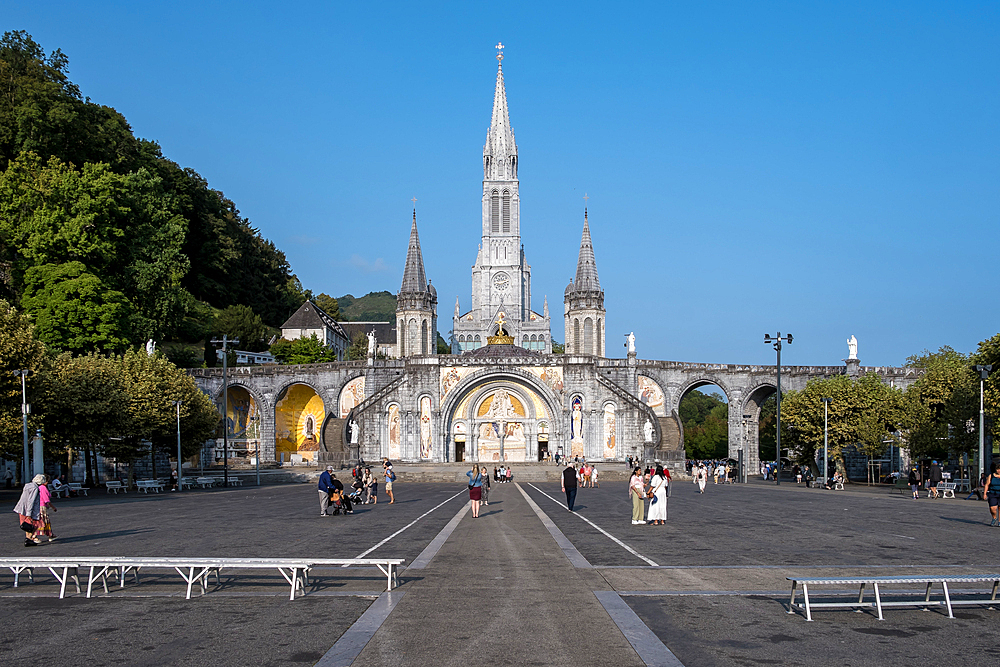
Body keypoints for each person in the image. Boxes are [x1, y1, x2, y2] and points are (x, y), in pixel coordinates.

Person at [14, 474, 46, 546]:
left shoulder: (27, 486)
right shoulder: (35, 488)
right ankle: (29, 539)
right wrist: (29, 513)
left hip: (22, 508)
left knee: (27, 525)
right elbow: (31, 501)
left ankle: (28, 538)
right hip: (29, 509)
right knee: (35, 524)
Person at [985, 462, 1000, 526]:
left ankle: (999, 521)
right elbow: (986, 485)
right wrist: (985, 494)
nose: (998, 470)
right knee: (992, 508)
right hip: (993, 493)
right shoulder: (991, 476)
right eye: (997, 469)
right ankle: (994, 517)